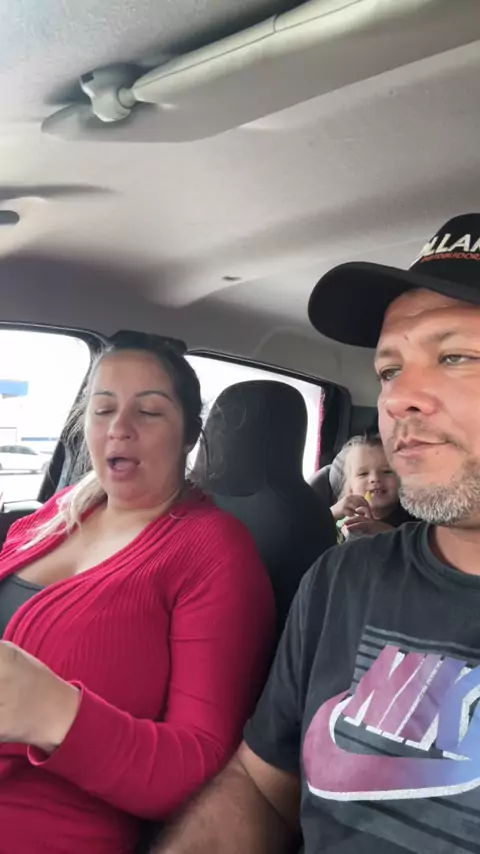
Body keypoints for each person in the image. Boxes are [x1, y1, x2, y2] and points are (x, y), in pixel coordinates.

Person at [153, 212, 480, 854]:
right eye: (389, 370)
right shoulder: (343, 577)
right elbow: (259, 786)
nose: (398, 399)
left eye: (455, 357)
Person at [0, 334, 275, 854]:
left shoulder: (213, 549)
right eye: (103, 409)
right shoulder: (58, 511)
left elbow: (204, 769)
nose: (119, 428)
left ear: (189, 435)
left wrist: (55, 713)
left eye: (148, 412)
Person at [331, 434, 413, 538]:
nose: (375, 478)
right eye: (363, 474)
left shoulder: (413, 518)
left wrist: (388, 533)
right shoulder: (341, 517)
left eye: (387, 471)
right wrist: (330, 515)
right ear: (350, 488)